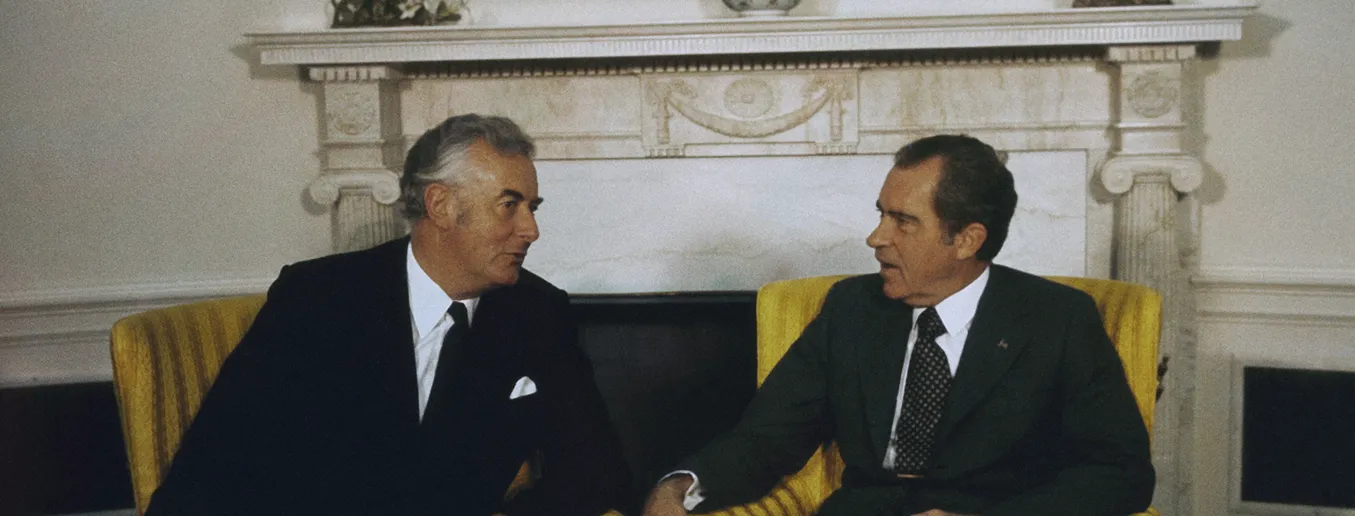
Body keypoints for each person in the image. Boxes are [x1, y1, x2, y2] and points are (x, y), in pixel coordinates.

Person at [644, 135, 1154, 516]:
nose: (875, 238)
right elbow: (767, 437)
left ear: (967, 240)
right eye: (881, 215)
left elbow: (1119, 472)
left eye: (903, 221)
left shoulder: (1055, 319)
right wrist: (683, 485)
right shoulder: (851, 308)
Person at [148, 114, 630, 515]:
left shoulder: (537, 311)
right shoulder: (319, 298)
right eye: (510, 205)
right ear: (440, 204)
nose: (531, 230)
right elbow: (211, 464)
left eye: (533, 207)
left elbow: (595, 469)